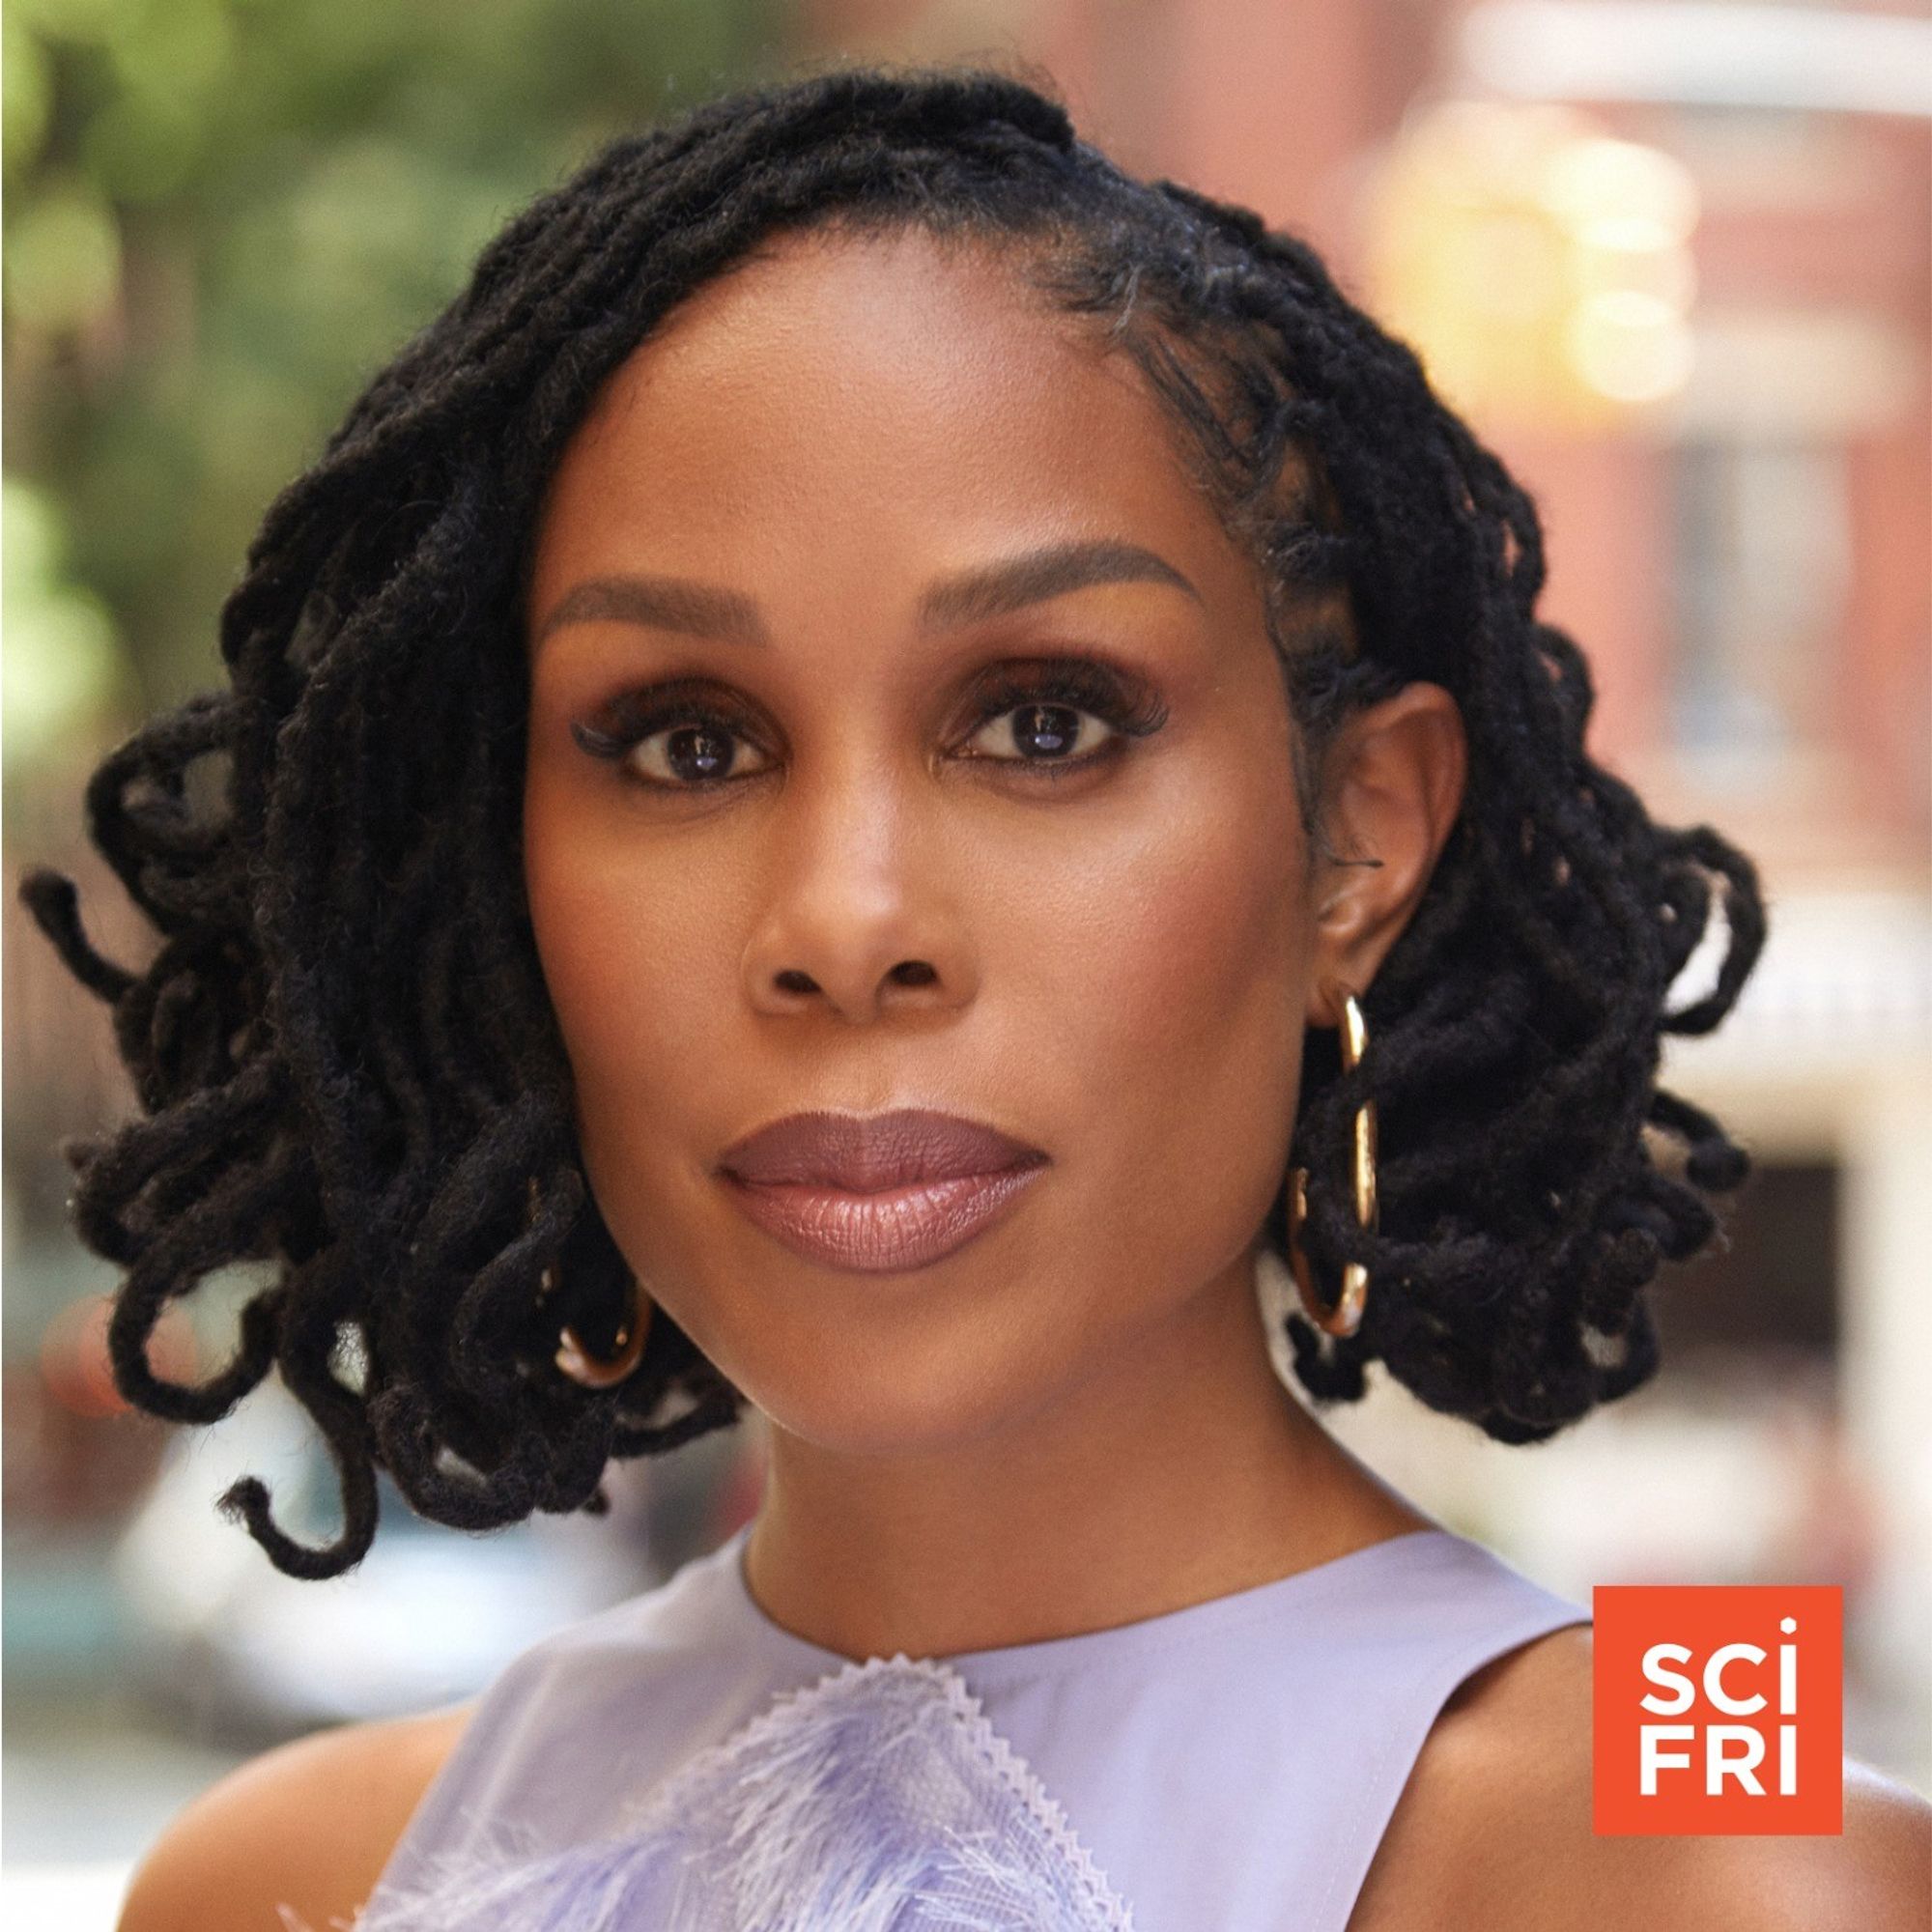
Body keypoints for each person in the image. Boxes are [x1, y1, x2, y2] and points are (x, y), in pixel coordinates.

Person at [23, 59, 1927, 1932]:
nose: (847, 922)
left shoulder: (1725, 1837)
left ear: (1354, 840)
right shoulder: (285, 1880)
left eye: (1043, 721)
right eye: (686, 744)